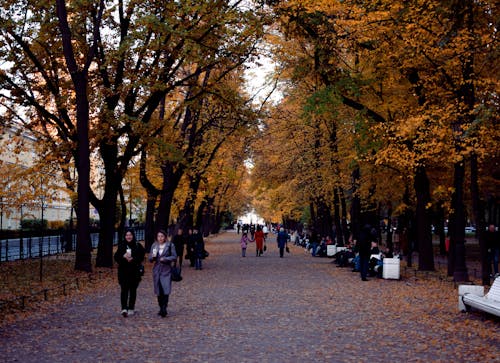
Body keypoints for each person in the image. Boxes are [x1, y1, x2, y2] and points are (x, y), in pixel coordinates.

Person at [114, 229, 145, 317]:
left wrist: (133, 259)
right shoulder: (121, 245)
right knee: (124, 290)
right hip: (123, 272)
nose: (128, 237)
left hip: (134, 272)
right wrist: (123, 256)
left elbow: (142, 257)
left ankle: (131, 307)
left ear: (133, 235)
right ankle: (124, 308)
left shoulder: (137, 245)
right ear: (125, 236)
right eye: (127, 235)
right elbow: (116, 257)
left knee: (133, 290)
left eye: (130, 235)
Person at [149, 230, 177, 317]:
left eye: (162, 236)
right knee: (159, 290)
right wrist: (152, 258)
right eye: (158, 236)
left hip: (166, 270)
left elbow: (174, 256)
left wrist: (165, 259)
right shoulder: (154, 245)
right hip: (157, 270)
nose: (160, 238)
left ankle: (164, 307)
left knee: (166, 289)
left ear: (165, 237)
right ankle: (160, 307)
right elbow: (150, 258)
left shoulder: (170, 245)